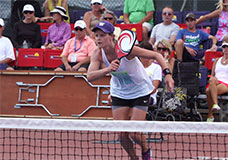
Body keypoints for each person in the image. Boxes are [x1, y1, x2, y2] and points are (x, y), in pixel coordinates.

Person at [87, 21, 174, 160]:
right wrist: (108, 69)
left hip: (140, 91)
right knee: (121, 134)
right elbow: (90, 77)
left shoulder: (128, 49)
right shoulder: (97, 53)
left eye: (102, 35)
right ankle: (134, 158)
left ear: (111, 36)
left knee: (134, 132)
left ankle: (145, 149)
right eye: (96, 35)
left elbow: (157, 56)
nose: (98, 38)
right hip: (119, 92)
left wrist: (168, 75)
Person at [206, 39, 228, 122]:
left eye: (227, 47)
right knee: (211, 81)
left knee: (208, 91)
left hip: (226, 83)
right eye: (224, 47)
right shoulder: (217, 60)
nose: (226, 49)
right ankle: (215, 104)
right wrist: (214, 79)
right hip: (215, 83)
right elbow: (212, 75)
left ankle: (210, 115)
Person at [138, 41, 162, 106]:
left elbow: (153, 89)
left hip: (150, 96)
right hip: (134, 94)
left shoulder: (156, 68)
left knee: (138, 100)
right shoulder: (135, 66)